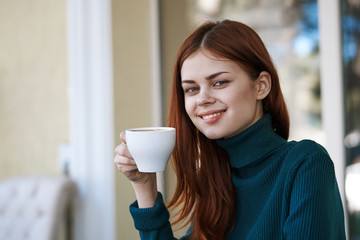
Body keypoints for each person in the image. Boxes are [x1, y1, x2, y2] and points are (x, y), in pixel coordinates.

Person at [114, 19, 346, 240]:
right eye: (192, 89)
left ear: (261, 86)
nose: (202, 99)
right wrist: (144, 185)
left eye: (219, 82)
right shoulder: (215, 178)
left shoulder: (306, 164)